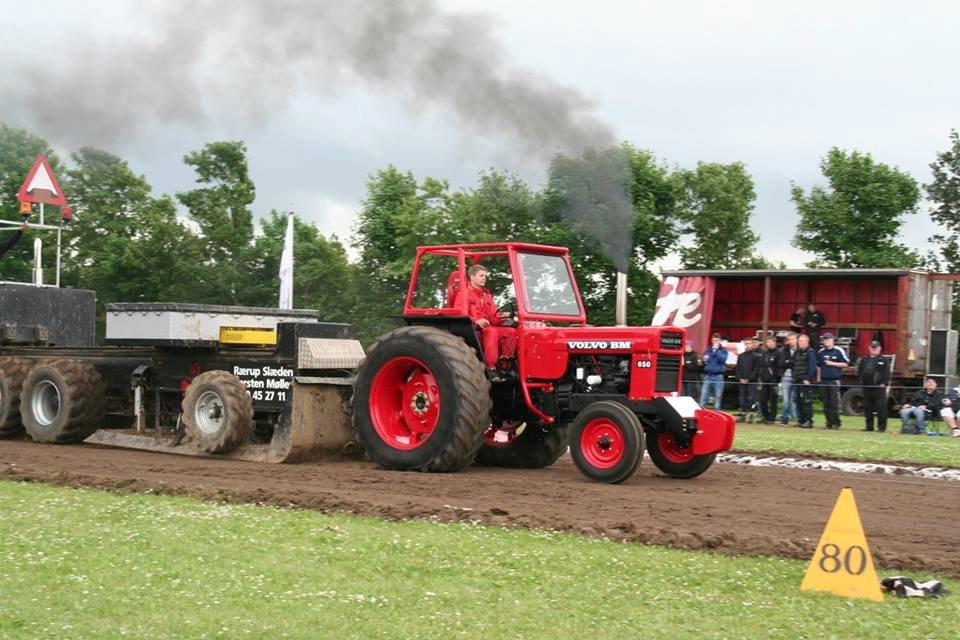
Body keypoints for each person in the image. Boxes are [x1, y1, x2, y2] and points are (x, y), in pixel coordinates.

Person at [452, 264, 515, 380]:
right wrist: (476, 320)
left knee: (510, 332)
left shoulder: (487, 295)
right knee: (491, 332)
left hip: (487, 327)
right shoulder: (464, 294)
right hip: (472, 329)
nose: (484, 278)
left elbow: (493, 318)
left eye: (485, 276)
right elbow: (460, 313)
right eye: (481, 276)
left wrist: (503, 317)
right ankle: (490, 368)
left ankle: (505, 365)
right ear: (472, 276)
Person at [817, 332, 849, 429]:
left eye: (828, 339)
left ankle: (837, 423)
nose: (826, 341)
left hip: (834, 380)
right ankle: (828, 423)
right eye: (824, 339)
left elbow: (845, 364)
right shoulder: (821, 352)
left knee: (834, 403)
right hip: (824, 380)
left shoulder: (838, 350)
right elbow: (818, 366)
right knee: (826, 403)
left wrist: (832, 363)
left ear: (832, 340)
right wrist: (818, 378)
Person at [858, 340, 890, 432]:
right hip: (867, 387)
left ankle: (881, 427)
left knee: (881, 407)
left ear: (879, 348)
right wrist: (861, 381)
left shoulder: (884, 360)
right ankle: (869, 426)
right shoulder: (864, 359)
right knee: (868, 407)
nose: (874, 349)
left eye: (875, 347)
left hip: (879, 387)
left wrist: (884, 382)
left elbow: (887, 373)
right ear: (869, 348)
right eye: (872, 347)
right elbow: (860, 371)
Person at [793, 334, 818, 428]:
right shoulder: (797, 352)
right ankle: (801, 420)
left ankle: (808, 420)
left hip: (805, 381)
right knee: (798, 401)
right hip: (797, 379)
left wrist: (808, 378)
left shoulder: (810, 352)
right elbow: (794, 364)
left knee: (806, 401)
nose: (800, 343)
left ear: (807, 342)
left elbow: (812, 367)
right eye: (799, 341)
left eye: (802, 341)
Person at [735, 337, 762, 422]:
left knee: (751, 398)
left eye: (749, 343)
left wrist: (749, 379)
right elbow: (738, 368)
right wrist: (740, 378)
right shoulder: (741, 356)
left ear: (752, 344)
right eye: (746, 343)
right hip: (742, 381)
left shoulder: (756, 356)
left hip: (752, 381)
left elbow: (756, 369)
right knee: (742, 398)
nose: (748, 345)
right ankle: (743, 415)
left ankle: (751, 415)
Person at [758, 335, 783, 424]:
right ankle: (766, 416)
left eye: (769, 342)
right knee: (762, 400)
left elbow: (780, 367)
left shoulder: (779, 353)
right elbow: (761, 366)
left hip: (773, 381)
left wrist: (777, 379)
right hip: (764, 380)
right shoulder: (765, 353)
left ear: (774, 342)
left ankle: (772, 418)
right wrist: (760, 378)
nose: (767, 344)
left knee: (773, 401)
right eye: (767, 342)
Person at [700, 333, 728, 410]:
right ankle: (702, 412)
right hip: (708, 376)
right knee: (704, 396)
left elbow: (722, 360)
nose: (715, 342)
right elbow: (705, 361)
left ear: (720, 341)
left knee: (718, 397)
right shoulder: (708, 350)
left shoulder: (723, 350)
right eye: (714, 340)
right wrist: (704, 361)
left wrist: (716, 351)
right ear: (712, 340)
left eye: (717, 340)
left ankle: (717, 413)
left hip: (718, 377)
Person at [779, 332, 798, 426]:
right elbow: (782, 363)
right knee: (786, 401)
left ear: (796, 339)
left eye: (792, 339)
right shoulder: (784, 350)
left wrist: (789, 362)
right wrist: (791, 362)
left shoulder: (800, 350)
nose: (791, 341)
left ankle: (797, 418)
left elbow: (797, 363)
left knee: (794, 400)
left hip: (796, 377)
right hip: (786, 377)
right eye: (789, 339)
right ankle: (784, 419)